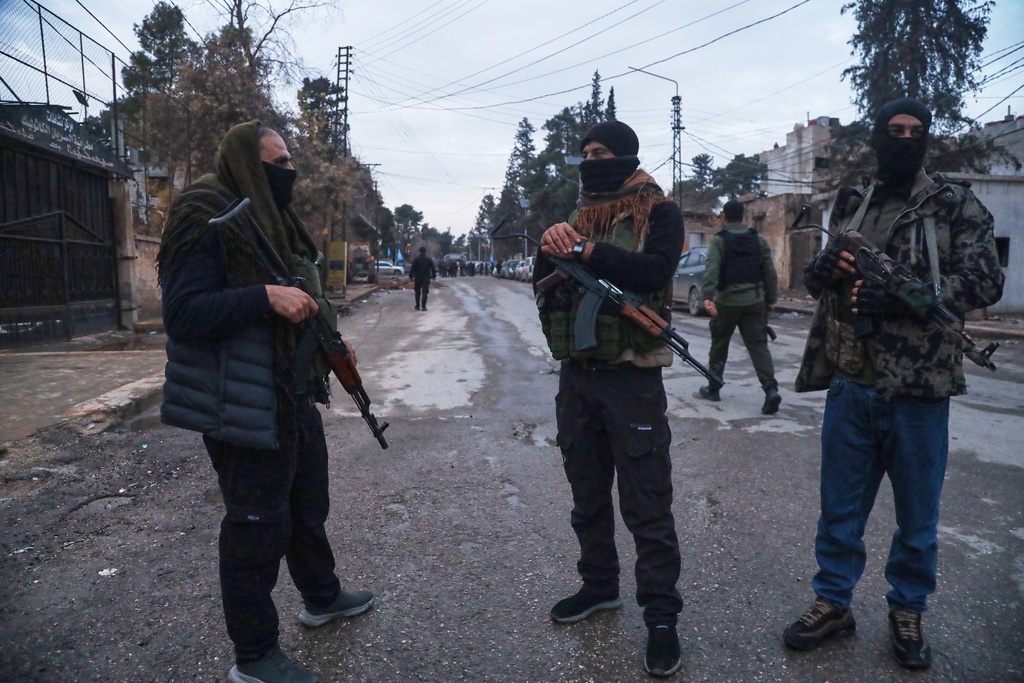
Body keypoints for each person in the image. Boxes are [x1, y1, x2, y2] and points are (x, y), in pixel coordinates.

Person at [784, 98, 1004, 669]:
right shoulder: (853, 201)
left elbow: (985, 279)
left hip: (918, 389)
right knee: (839, 510)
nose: (904, 139)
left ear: (926, 138)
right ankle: (833, 601)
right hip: (851, 381)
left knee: (917, 517)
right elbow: (821, 279)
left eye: (915, 131)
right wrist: (823, 272)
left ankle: (908, 608)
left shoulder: (953, 203)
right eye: (894, 130)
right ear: (878, 137)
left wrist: (915, 298)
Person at [158, 121, 374, 683]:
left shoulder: (271, 219)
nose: (289, 171)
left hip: (287, 390)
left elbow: (303, 294)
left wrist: (326, 338)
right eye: (276, 162)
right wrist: (263, 296)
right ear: (246, 162)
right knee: (256, 524)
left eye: (288, 161)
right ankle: (253, 657)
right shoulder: (205, 212)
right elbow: (183, 315)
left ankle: (322, 598)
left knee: (307, 506)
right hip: (241, 402)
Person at [533, 120, 685, 678]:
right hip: (578, 377)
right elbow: (544, 285)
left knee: (647, 505)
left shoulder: (658, 212)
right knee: (587, 495)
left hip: (632, 379)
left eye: (601, 152)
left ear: (625, 156)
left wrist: (587, 249)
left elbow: (655, 270)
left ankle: (662, 618)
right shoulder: (575, 217)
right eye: (585, 153)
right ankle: (598, 586)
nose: (590, 161)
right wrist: (554, 249)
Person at [697, 199, 781, 414]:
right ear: (744, 217)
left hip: (726, 303)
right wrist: (770, 300)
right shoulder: (757, 240)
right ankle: (771, 390)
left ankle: (713, 388)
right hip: (754, 302)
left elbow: (712, 268)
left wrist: (707, 296)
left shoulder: (719, 240)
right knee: (759, 347)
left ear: (724, 217)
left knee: (719, 345)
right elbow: (769, 273)